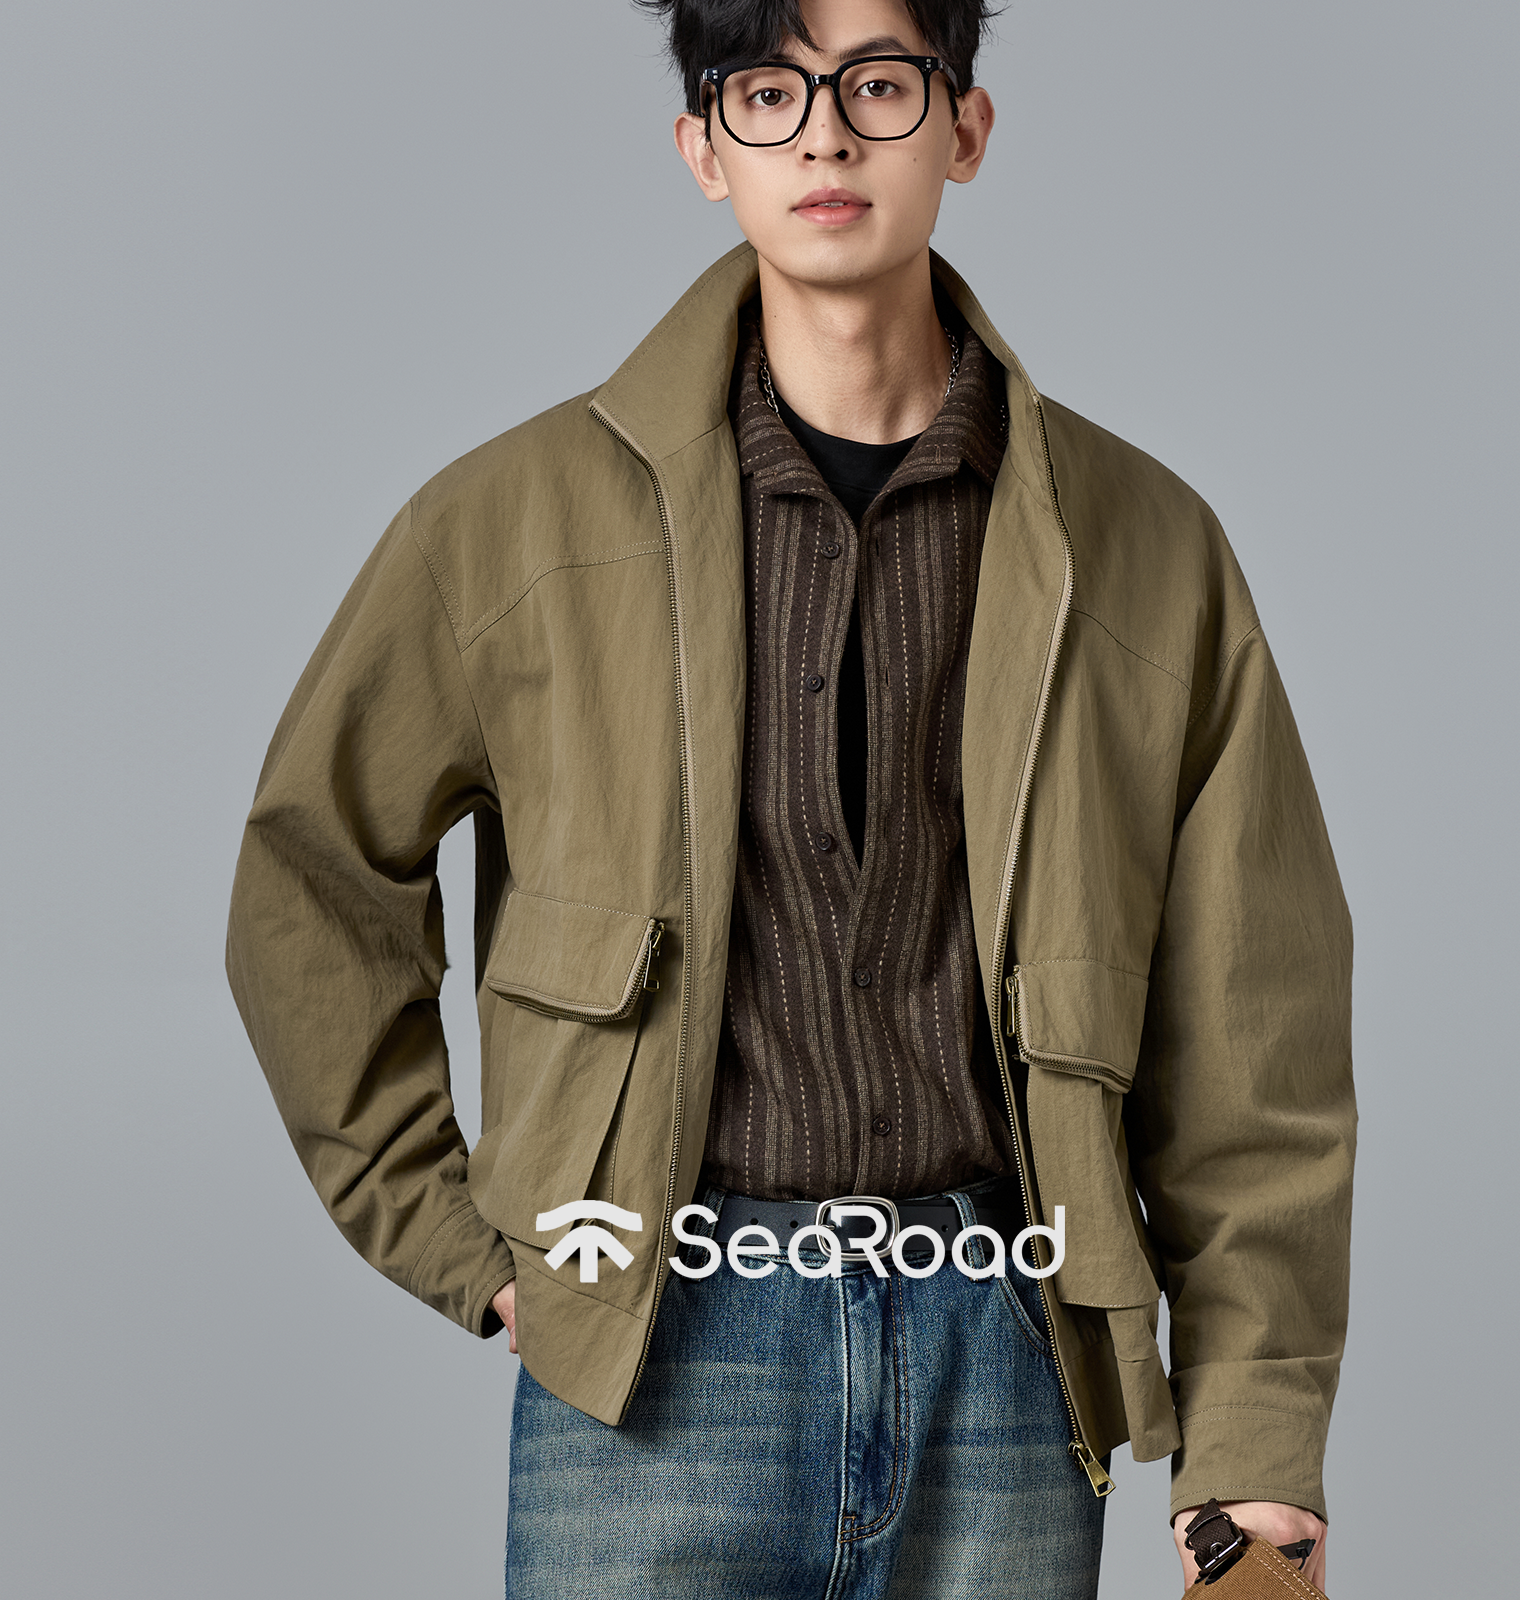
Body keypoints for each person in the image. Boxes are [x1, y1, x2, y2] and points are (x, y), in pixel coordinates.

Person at [225, 1, 1354, 1594]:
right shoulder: (511, 522)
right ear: (704, 148)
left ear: (965, 129)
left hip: (1010, 1355)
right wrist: (465, 1247)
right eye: (768, 91)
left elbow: (1259, 1028)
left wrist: (1253, 1446)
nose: (824, 132)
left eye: (878, 84)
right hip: (656, 1358)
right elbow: (309, 878)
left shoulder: (1148, 549)